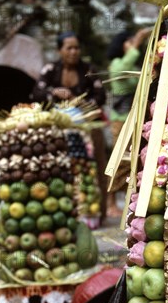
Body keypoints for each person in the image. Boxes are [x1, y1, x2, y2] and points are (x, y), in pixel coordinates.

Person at [30, 31, 110, 223]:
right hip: (60, 132)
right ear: (60, 50)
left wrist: (76, 100)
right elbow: (36, 93)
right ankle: (62, 212)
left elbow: (101, 97)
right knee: (61, 169)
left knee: (95, 169)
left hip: (88, 129)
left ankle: (98, 212)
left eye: (76, 48)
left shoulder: (88, 69)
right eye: (69, 48)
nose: (74, 52)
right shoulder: (50, 70)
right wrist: (54, 92)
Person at [106, 27, 151, 216]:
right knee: (120, 160)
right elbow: (126, 64)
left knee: (135, 160)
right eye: (128, 42)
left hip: (135, 120)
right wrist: (138, 40)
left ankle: (130, 202)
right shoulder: (116, 64)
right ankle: (110, 203)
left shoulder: (131, 66)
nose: (132, 45)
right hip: (120, 121)